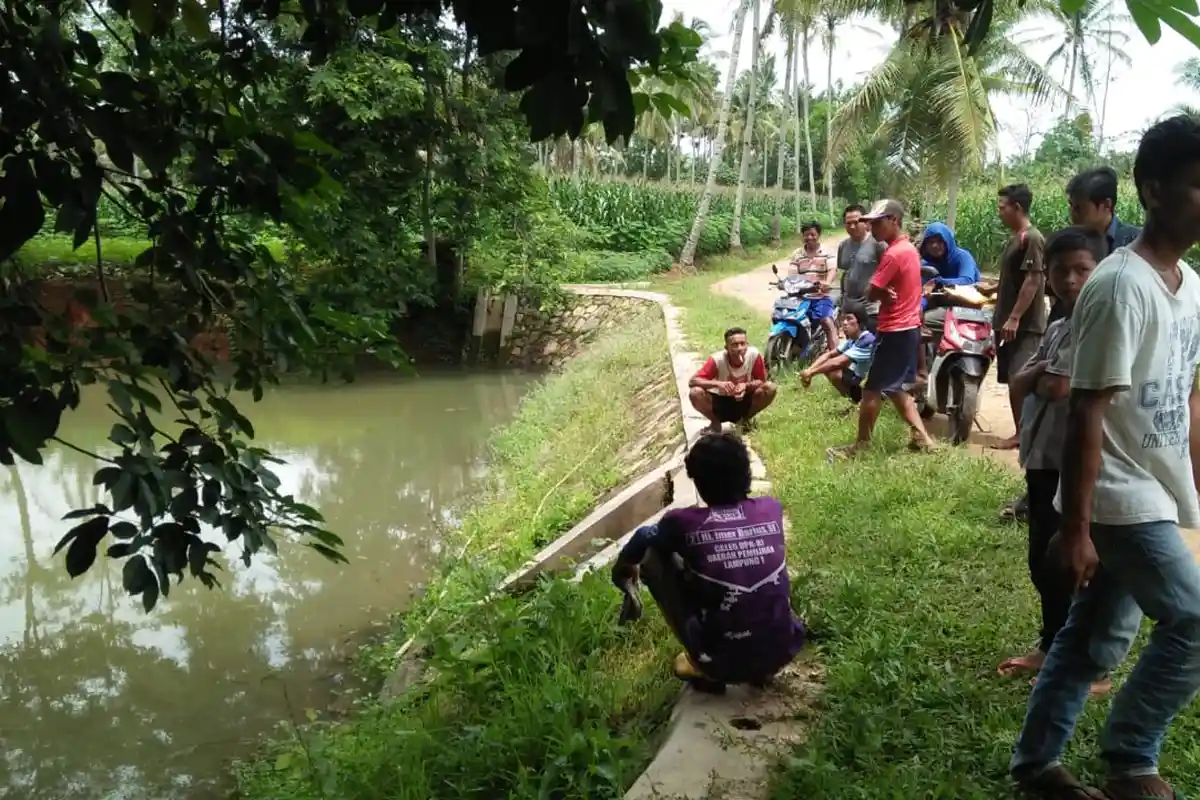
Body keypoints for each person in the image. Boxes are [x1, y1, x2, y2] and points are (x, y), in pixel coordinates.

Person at [1009, 115, 1200, 800]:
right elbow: (1087, 409)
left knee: (1090, 637)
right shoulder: (1119, 285)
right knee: (1194, 619)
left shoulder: (1190, 285)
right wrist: (1078, 525)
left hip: (1151, 488)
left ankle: (1037, 767)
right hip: (1117, 495)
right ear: (1152, 190)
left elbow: (1188, 398)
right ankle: (1131, 760)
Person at [994, 226, 1111, 698]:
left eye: (1082, 269)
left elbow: (1056, 388)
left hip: (1073, 461)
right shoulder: (1060, 327)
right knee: (1042, 559)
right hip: (1041, 457)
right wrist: (1039, 378)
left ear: (1101, 271)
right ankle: (1051, 646)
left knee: (1075, 562)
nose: (1069, 280)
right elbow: (1021, 383)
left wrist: (1038, 378)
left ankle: (1091, 668)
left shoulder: (1097, 330)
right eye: (1060, 271)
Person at [610, 432, 806, 694]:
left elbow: (644, 536)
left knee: (654, 555)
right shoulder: (770, 508)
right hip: (784, 650)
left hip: (721, 664)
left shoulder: (682, 522)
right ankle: (761, 661)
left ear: (698, 482)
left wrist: (623, 573)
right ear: (746, 474)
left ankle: (703, 662)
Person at [829, 199, 936, 457]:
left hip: (895, 329)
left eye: (877, 222)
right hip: (908, 328)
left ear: (894, 221)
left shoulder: (893, 254)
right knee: (895, 388)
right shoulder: (909, 249)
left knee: (871, 389)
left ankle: (861, 445)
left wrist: (878, 292)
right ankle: (924, 439)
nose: (872, 228)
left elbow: (871, 290)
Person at [991, 183, 1047, 452]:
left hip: (1025, 325)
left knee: (1020, 379)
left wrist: (1014, 317)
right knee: (1013, 379)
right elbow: (1016, 278)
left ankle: (1025, 434)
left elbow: (1033, 280)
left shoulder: (1032, 238)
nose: (999, 212)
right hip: (1009, 322)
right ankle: (1021, 431)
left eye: (1003, 208)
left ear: (1018, 208)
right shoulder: (1016, 238)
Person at [1050, 167, 1142, 325]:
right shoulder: (1069, 241)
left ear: (1106, 205)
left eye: (1078, 208)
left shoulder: (1135, 243)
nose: (1072, 214)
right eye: (1070, 206)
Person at [916, 221, 981, 384]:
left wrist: (939, 281)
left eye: (939, 241)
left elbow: (966, 280)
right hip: (940, 309)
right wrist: (920, 308)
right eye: (930, 242)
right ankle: (922, 372)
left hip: (967, 309)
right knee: (914, 326)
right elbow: (922, 291)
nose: (935, 246)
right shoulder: (926, 265)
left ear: (947, 241)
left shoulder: (961, 256)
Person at [688, 328, 776, 433]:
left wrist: (746, 386)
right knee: (695, 392)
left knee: (770, 388)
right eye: (734, 345)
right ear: (726, 348)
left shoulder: (753, 355)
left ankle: (744, 421)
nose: (740, 348)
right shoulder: (717, 359)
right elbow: (693, 381)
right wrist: (719, 384)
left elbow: (761, 380)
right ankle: (715, 423)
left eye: (743, 344)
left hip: (744, 400)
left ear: (747, 345)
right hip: (720, 402)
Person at [799, 307, 876, 404]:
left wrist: (811, 373)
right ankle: (854, 401)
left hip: (872, 386)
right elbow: (829, 354)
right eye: (843, 319)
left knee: (833, 369)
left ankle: (861, 401)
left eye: (849, 319)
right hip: (858, 378)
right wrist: (809, 370)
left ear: (860, 322)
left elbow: (837, 362)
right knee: (829, 369)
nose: (844, 323)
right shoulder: (852, 339)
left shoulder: (867, 341)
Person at [790, 220, 839, 352]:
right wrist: (789, 283)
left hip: (820, 296)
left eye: (813, 234)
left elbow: (832, 270)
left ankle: (834, 354)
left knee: (825, 321)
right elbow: (793, 272)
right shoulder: (797, 254)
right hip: (801, 297)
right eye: (806, 235)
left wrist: (827, 283)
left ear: (819, 235)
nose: (809, 238)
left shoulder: (827, 252)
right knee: (787, 317)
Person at [837, 204, 887, 332]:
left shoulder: (878, 244)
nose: (852, 226)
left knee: (870, 342)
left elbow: (887, 273)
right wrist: (842, 300)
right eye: (848, 223)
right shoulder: (843, 246)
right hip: (849, 306)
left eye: (856, 222)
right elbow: (844, 273)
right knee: (853, 344)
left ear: (866, 223)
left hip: (871, 306)